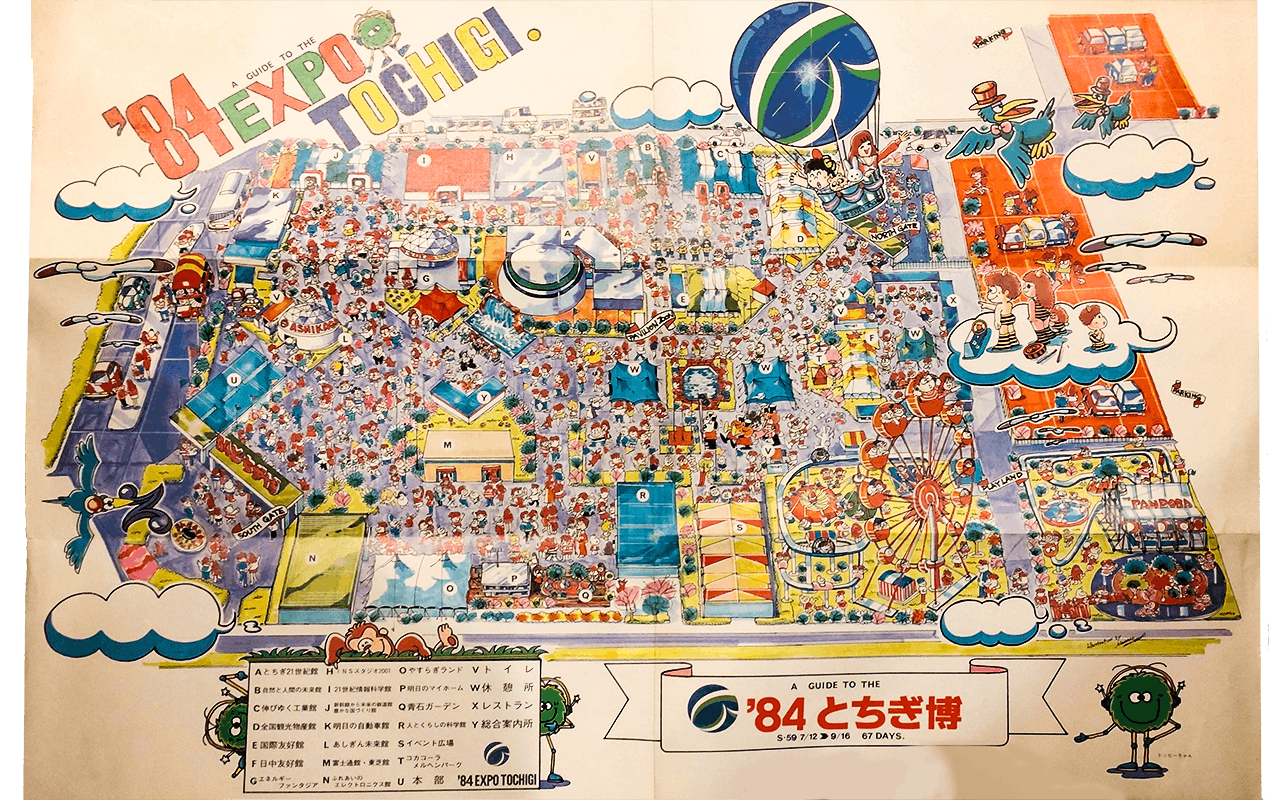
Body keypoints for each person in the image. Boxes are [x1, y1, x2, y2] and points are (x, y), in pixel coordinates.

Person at [981, 270, 1021, 352]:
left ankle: (1004, 344)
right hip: (1010, 318)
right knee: (1011, 329)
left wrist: (997, 322)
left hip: (1003, 320)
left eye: (992, 291)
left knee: (1003, 331)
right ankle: (1014, 342)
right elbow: (997, 308)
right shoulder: (1009, 304)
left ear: (1006, 292)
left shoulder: (999, 306)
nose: (988, 294)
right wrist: (986, 305)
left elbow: (997, 312)